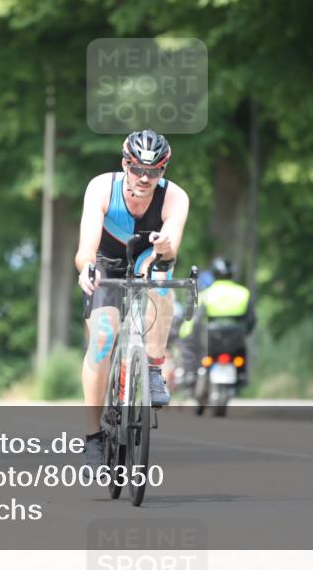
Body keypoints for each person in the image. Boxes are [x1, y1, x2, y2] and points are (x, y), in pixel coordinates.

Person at [76, 130, 190, 471]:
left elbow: (171, 247)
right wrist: (87, 270)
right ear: (125, 164)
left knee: (162, 281)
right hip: (107, 260)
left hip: (147, 259)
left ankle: (153, 368)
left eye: (154, 171)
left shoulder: (175, 198)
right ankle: (94, 437)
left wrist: (162, 245)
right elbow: (85, 250)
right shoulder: (101, 188)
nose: (144, 178)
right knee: (102, 339)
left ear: (163, 171)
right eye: (138, 168)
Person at [188, 257, 256, 387]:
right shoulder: (243, 293)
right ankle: (242, 375)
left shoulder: (206, 293)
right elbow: (251, 320)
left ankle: (194, 378)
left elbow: (197, 319)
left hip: (212, 337)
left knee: (200, 356)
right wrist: (244, 333)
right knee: (242, 352)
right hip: (236, 337)